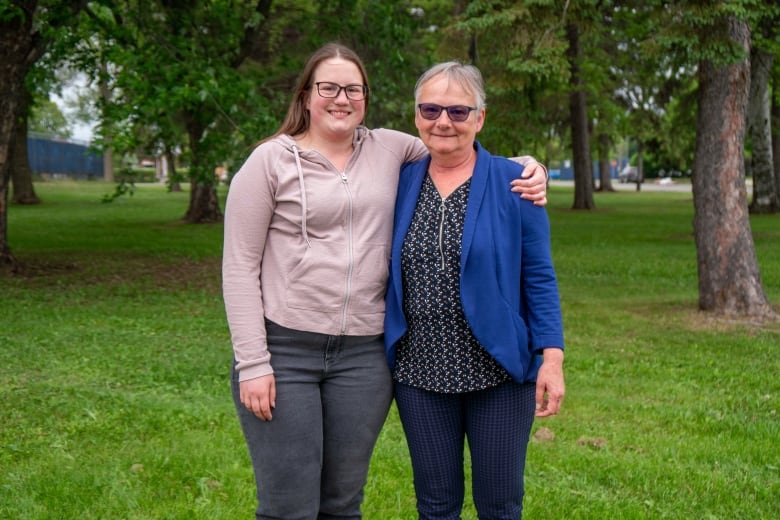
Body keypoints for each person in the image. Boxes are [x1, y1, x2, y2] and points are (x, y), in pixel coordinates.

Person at [222, 43, 548, 519]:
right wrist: (252, 361)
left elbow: (459, 149)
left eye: (353, 89)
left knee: (343, 502)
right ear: (306, 96)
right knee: (288, 505)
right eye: (328, 87)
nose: (341, 98)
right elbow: (239, 266)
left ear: (366, 98)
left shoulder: (391, 148)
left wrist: (525, 165)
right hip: (287, 349)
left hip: (363, 356)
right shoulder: (269, 162)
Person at [384, 61, 565, 519]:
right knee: (436, 504)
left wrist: (553, 359)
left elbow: (539, 277)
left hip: (499, 372)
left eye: (458, 111)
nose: (443, 121)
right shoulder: (400, 180)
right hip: (420, 373)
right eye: (431, 109)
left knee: (499, 505)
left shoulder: (515, 182)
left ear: (480, 118)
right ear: (417, 115)